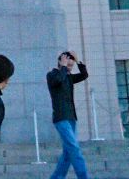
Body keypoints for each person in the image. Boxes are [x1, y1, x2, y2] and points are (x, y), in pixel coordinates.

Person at [47, 51, 90, 179]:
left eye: (71, 66)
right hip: (61, 118)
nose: (70, 68)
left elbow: (84, 75)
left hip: (71, 118)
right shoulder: (52, 75)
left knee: (67, 152)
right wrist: (64, 67)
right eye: (68, 65)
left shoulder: (69, 77)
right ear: (61, 63)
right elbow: (58, 80)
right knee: (74, 148)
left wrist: (77, 61)